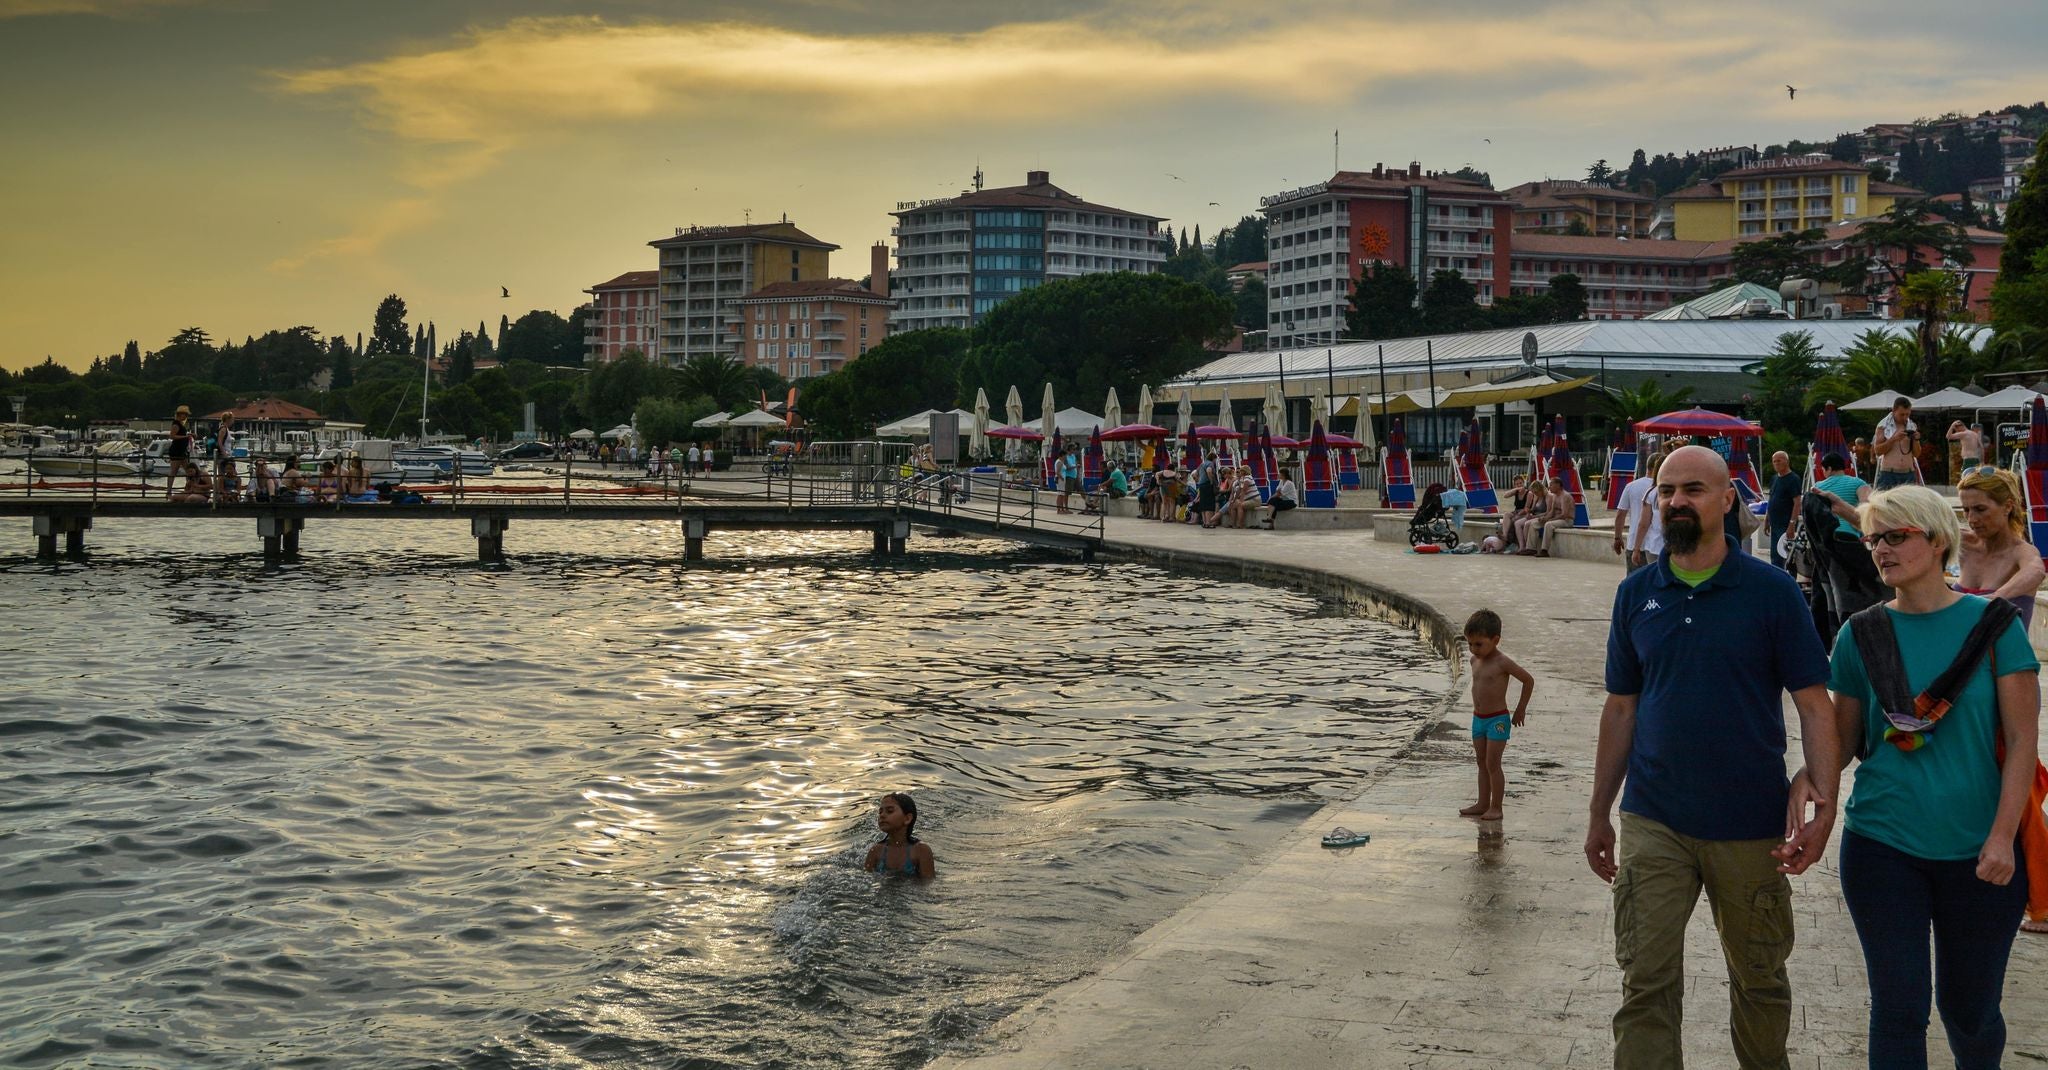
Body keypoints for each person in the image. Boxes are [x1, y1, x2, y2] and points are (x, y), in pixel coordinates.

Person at [1588, 445, 1839, 1070]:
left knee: (1759, 979)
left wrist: (1824, 808)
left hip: (1750, 823)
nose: (1677, 501)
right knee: (1644, 980)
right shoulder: (1637, 594)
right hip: (1653, 817)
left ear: (1727, 500)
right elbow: (1621, 709)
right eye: (1666, 490)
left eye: (1693, 490)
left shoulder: (1773, 593)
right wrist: (1599, 813)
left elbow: (1813, 704)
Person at [1797, 484, 2041, 1061]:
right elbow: (1844, 736)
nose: (1879, 549)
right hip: (1883, 844)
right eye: (1872, 538)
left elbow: (2023, 740)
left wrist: (2004, 837)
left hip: (1981, 850)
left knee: (1971, 1009)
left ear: (1936, 542)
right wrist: (1810, 781)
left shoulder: (1995, 626)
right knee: (1900, 1006)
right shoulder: (1862, 633)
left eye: (1895, 537)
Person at [1459, 609, 1534, 822]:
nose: (1473, 649)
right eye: (1470, 644)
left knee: (1493, 763)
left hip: (1497, 720)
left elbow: (1528, 680)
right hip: (1478, 719)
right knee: (1481, 762)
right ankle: (1482, 803)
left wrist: (1520, 708)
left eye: (1478, 644)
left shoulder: (1502, 662)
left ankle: (1496, 806)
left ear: (1496, 640)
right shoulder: (1475, 661)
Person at [1955, 465, 2045, 631]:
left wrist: (1992, 598)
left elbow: (2036, 571)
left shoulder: (2021, 552)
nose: (1971, 519)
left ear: (2007, 506)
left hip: (2005, 655)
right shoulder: (1964, 543)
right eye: (1966, 510)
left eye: (1980, 509)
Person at [862, 792, 935, 879]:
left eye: (890, 811)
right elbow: (865, 880)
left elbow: (928, 886)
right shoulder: (876, 851)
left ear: (907, 819)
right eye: (880, 812)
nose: (882, 815)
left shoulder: (921, 851)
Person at [1612, 454, 1664, 573]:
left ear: (1647, 466)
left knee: (1634, 583)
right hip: (1656, 545)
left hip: (1635, 541)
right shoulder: (1665, 489)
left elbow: (1621, 514)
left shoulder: (1631, 486)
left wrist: (1617, 537)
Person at [1871, 396, 1919, 490]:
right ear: (1893, 410)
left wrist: (1916, 440)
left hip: (1908, 472)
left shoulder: (1912, 426)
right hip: (1889, 473)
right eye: (1901, 414)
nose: (1905, 417)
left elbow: (1917, 454)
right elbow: (1878, 451)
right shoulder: (1883, 426)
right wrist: (1893, 439)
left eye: (1907, 414)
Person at [1765, 451, 1801, 570]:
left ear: (1786, 461)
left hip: (1785, 524)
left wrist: (1792, 524)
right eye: (1774, 461)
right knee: (1775, 555)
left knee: (1786, 555)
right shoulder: (1774, 479)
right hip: (1774, 523)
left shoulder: (1793, 479)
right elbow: (1771, 499)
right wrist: (1767, 519)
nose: (1776, 463)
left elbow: (1797, 502)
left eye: (1779, 460)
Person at [1530, 477, 1575, 558]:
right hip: (1557, 519)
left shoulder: (1565, 496)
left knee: (1548, 524)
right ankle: (1531, 548)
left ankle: (1544, 550)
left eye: (1551, 484)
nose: (1549, 486)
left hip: (1567, 520)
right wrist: (1545, 518)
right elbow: (1552, 512)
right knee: (1534, 523)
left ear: (1558, 485)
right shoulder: (1555, 496)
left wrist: (1550, 520)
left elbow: (1564, 514)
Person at [164, 404, 192, 498]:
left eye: (186, 415)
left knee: (188, 470)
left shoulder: (180, 424)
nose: (185, 416)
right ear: (179, 414)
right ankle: (169, 492)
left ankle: (188, 488)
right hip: (176, 450)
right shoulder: (176, 424)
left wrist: (188, 435)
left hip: (182, 450)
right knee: (174, 471)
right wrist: (185, 436)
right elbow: (172, 436)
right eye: (184, 414)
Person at [1194, 451, 1222, 528]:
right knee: (1209, 504)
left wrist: (1198, 481)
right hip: (1207, 485)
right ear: (1213, 458)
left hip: (1201, 485)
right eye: (1215, 459)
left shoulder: (1202, 464)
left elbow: (1194, 474)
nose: (1216, 461)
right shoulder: (1210, 463)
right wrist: (1211, 481)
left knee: (1203, 504)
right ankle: (1209, 522)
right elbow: (1209, 471)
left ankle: (1205, 522)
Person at [1055, 447, 1080, 514]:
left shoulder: (1061, 462)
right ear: (1062, 455)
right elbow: (1057, 472)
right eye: (1065, 455)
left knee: (1062, 494)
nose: (1066, 456)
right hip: (1061, 480)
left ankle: (1061, 509)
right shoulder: (1059, 462)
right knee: (1060, 494)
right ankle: (1059, 510)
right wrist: (1061, 478)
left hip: (1063, 479)